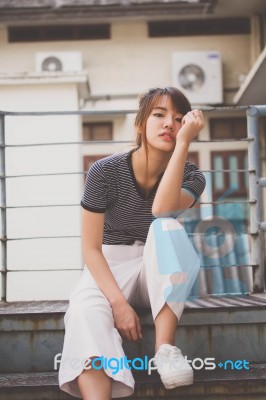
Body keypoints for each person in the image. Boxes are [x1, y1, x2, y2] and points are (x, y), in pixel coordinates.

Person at [59, 86, 206, 399]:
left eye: (179, 119)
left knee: (167, 228)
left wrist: (183, 145)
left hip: (158, 269)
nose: (169, 123)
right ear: (140, 123)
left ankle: (165, 349)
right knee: (84, 313)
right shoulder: (104, 172)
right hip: (109, 267)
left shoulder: (193, 176)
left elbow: (162, 211)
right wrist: (118, 304)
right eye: (159, 115)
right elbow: (90, 249)